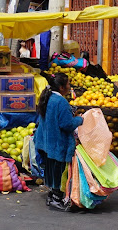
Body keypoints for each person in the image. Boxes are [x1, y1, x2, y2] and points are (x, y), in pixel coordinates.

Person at [33, 73, 83, 212]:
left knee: (51, 169)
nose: (69, 86)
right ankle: (56, 198)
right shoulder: (60, 102)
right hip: (58, 144)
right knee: (58, 171)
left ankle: (51, 195)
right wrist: (80, 120)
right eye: (67, 84)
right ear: (61, 87)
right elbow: (67, 124)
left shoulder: (49, 97)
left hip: (47, 142)